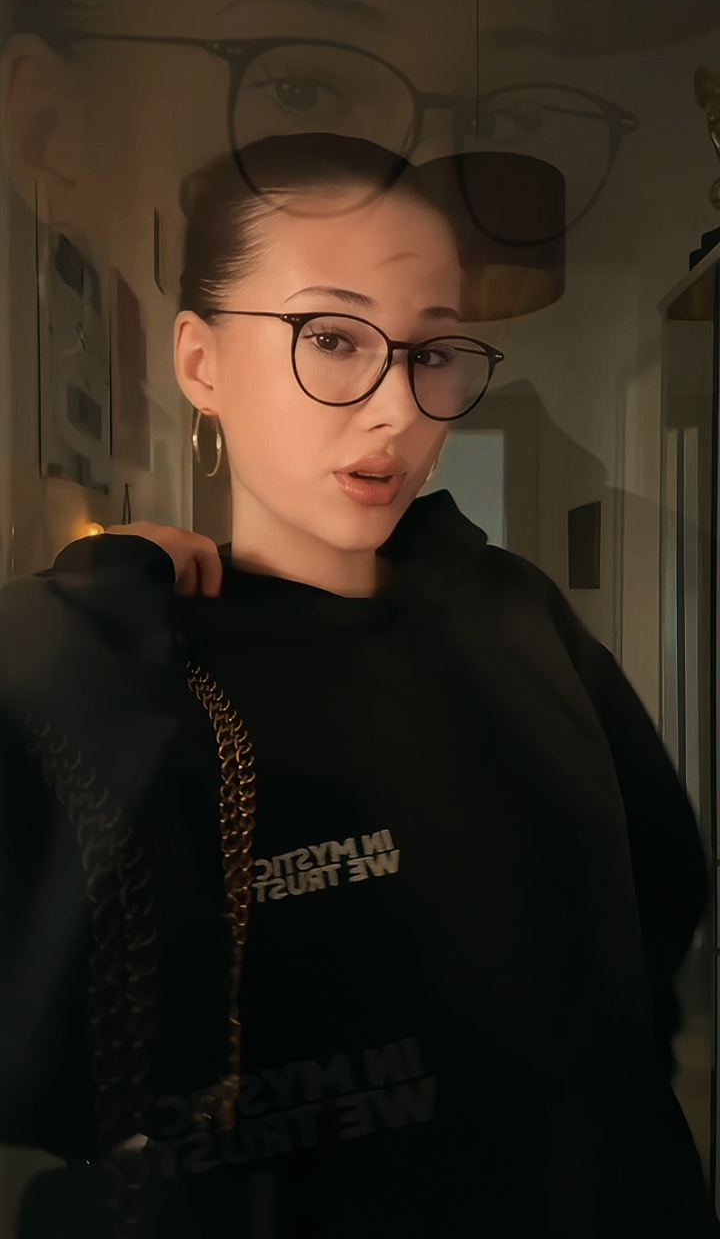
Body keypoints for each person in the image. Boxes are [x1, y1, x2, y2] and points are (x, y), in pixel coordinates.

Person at [0, 131, 717, 1239]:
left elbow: (657, 895)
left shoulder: (513, 609)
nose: (397, 409)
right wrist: (70, 631)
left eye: (432, 351)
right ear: (200, 361)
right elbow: (70, 1071)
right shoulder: (134, 664)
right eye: (332, 338)